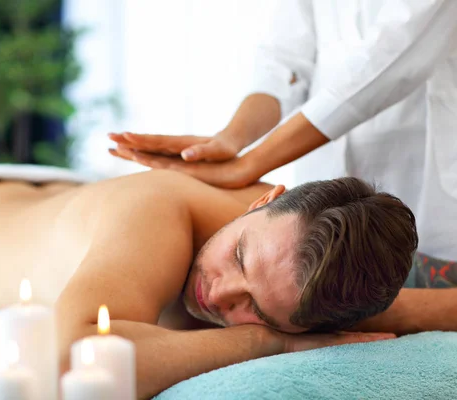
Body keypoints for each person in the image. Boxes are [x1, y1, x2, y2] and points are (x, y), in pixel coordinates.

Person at [0, 164, 420, 398]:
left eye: (258, 310)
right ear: (263, 200)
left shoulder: (296, 270)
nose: (218, 295)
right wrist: (265, 339)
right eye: (238, 257)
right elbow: (74, 354)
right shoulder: (158, 215)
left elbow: (415, 312)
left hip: (66, 206)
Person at [108, 0, 457, 268]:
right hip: (325, 179)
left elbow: (391, 60)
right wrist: (230, 139)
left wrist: (250, 164)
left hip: (430, 188)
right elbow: (283, 60)